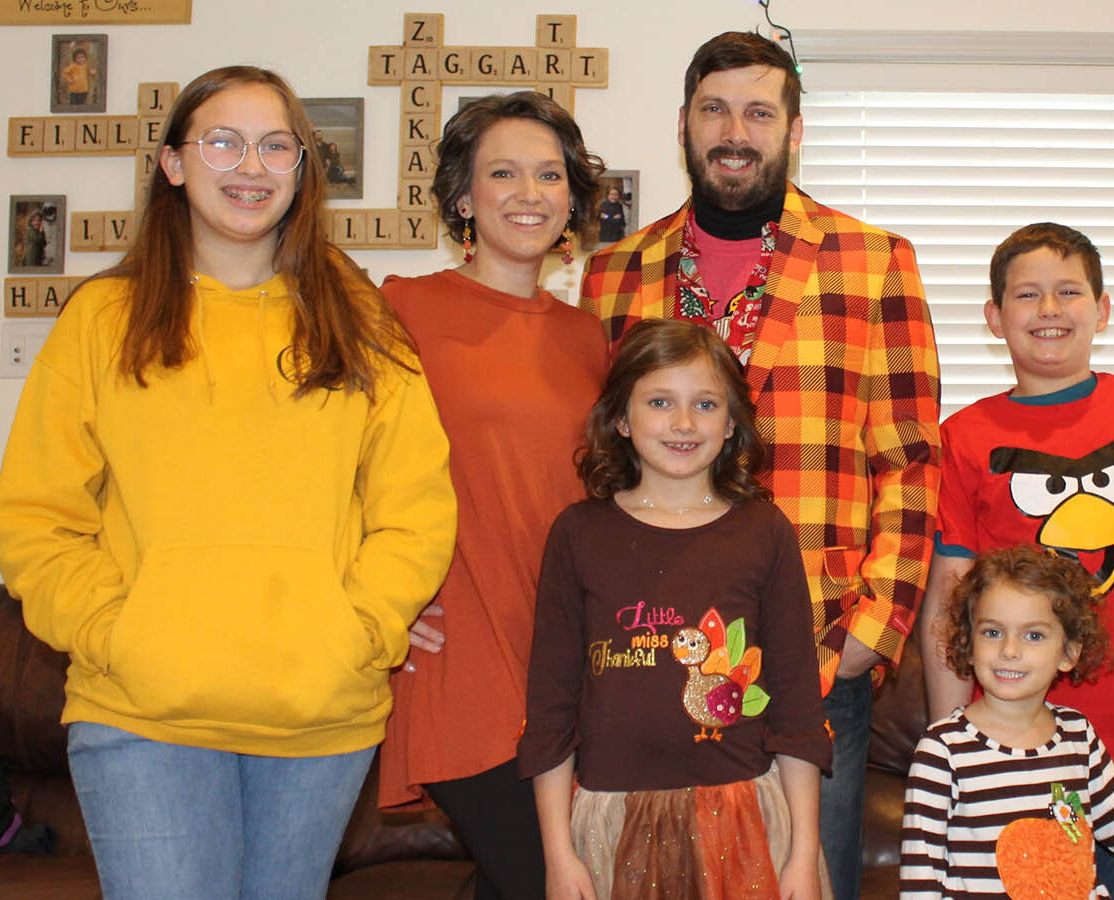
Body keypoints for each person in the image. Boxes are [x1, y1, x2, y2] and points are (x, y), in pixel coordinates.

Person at [0, 65, 457, 900]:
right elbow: (37, 516)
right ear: (174, 164)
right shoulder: (102, 320)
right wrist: (114, 632)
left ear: (303, 170)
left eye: (278, 147)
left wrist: (363, 630)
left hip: (320, 718)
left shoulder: (361, 321)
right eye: (223, 142)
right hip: (141, 715)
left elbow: (414, 506)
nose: (252, 167)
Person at [578, 33, 941, 899]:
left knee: (805, 882)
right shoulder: (614, 274)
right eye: (714, 109)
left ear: (793, 129)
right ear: (683, 125)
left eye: (758, 111)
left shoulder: (873, 260)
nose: (734, 130)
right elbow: (599, 458)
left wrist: (872, 632)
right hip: (651, 637)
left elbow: (911, 459)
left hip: (813, 644)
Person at [375, 90, 607, 900]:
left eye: (549, 175)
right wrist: (377, 601)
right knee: (543, 877)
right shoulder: (402, 310)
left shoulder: (590, 338)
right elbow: (333, 466)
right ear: (464, 199)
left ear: (572, 201)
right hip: (465, 658)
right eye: (502, 172)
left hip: (570, 654)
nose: (528, 193)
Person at [917, 222, 1114, 898]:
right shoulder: (964, 438)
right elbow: (951, 598)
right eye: (1027, 295)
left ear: (1102, 308)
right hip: (1013, 752)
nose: (1048, 311)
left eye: (1069, 292)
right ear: (994, 317)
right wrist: (946, 739)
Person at [518, 318, 832, 900]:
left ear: (732, 422)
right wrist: (558, 856)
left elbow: (797, 711)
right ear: (620, 417)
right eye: (660, 401)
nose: (684, 423)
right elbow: (551, 710)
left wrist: (803, 855)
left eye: (705, 403)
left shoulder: (765, 533)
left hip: (746, 822)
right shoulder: (578, 534)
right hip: (609, 823)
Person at [902, 546, 1114, 898]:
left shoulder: (1078, 736)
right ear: (968, 641)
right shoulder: (942, 750)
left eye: (1033, 635)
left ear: (1069, 652)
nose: (1010, 650)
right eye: (992, 632)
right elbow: (921, 880)